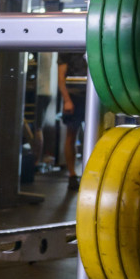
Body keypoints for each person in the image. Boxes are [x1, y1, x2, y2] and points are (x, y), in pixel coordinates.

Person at [59, 50, 87, 187]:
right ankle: (72, 175)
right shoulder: (67, 48)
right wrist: (67, 100)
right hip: (74, 97)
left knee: (97, 133)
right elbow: (61, 77)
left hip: (93, 95)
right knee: (71, 135)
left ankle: (90, 172)